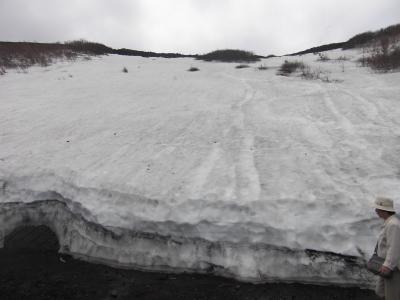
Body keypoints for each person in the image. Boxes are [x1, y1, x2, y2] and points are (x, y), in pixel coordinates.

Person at [374, 197, 400, 300]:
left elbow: (394, 247)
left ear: (385, 210)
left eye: (378, 209)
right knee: (380, 291)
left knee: (392, 296)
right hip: (385, 265)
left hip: (392, 267)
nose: (376, 211)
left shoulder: (393, 225)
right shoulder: (389, 222)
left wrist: (388, 265)